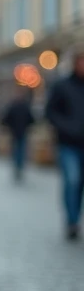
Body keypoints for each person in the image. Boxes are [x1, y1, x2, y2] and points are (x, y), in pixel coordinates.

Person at [46, 52, 84, 240]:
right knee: (72, 180)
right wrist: (67, 127)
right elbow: (50, 112)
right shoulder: (62, 86)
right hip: (69, 143)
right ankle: (72, 221)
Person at [1, 86, 36, 183]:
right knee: (18, 150)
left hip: (19, 131)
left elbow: (30, 119)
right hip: (17, 132)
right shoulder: (18, 106)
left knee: (19, 150)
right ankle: (18, 167)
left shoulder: (18, 106)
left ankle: (18, 167)